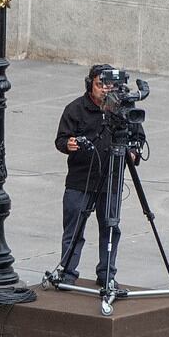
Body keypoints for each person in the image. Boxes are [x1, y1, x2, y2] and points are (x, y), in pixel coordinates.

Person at [50, 67, 127, 297]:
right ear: (89, 84)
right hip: (80, 179)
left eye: (109, 85)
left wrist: (132, 152)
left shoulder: (121, 110)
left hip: (111, 179)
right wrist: (68, 144)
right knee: (73, 229)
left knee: (110, 227)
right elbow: (61, 139)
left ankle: (107, 274)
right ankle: (67, 272)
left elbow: (137, 137)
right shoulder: (75, 109)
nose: (105, 89)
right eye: (100, 85)